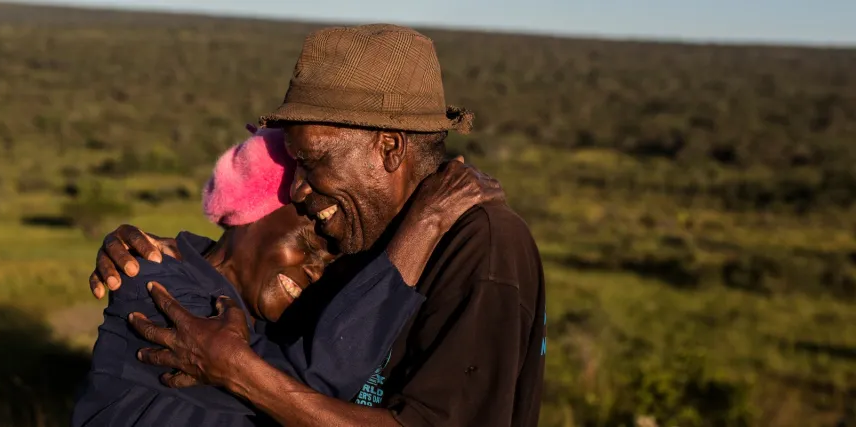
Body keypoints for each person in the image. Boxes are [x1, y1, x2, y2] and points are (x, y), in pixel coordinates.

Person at [92, 24, 546, 427]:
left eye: (312, 161)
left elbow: (309, 374)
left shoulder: (480, 245)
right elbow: (274, 330)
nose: (297, 190)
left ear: (389, 146)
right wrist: (175, 254)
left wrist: (237, 370)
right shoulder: (357, 241)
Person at [73, 125, 503, 426]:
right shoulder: (155, 283)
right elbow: (316, 380)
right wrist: (425, 223)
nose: (314, 271)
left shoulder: (261, 319)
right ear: (248, 212)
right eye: (311, 245)